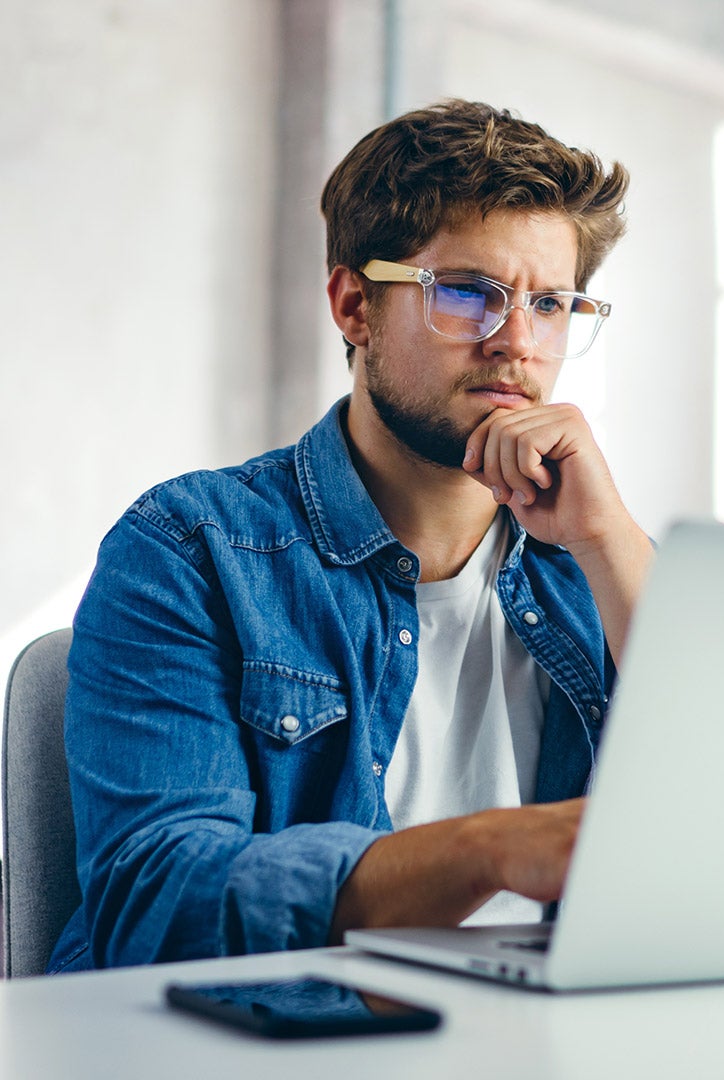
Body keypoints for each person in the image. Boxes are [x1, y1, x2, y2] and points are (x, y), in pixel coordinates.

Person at [48, 100, 654, 973]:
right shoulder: (191, 550)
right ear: (354, 305)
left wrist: (608, 542)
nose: (517, 343)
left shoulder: (597, 560)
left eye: (550, 303)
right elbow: (157, 903)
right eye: (466, 293)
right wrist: (487, 849)